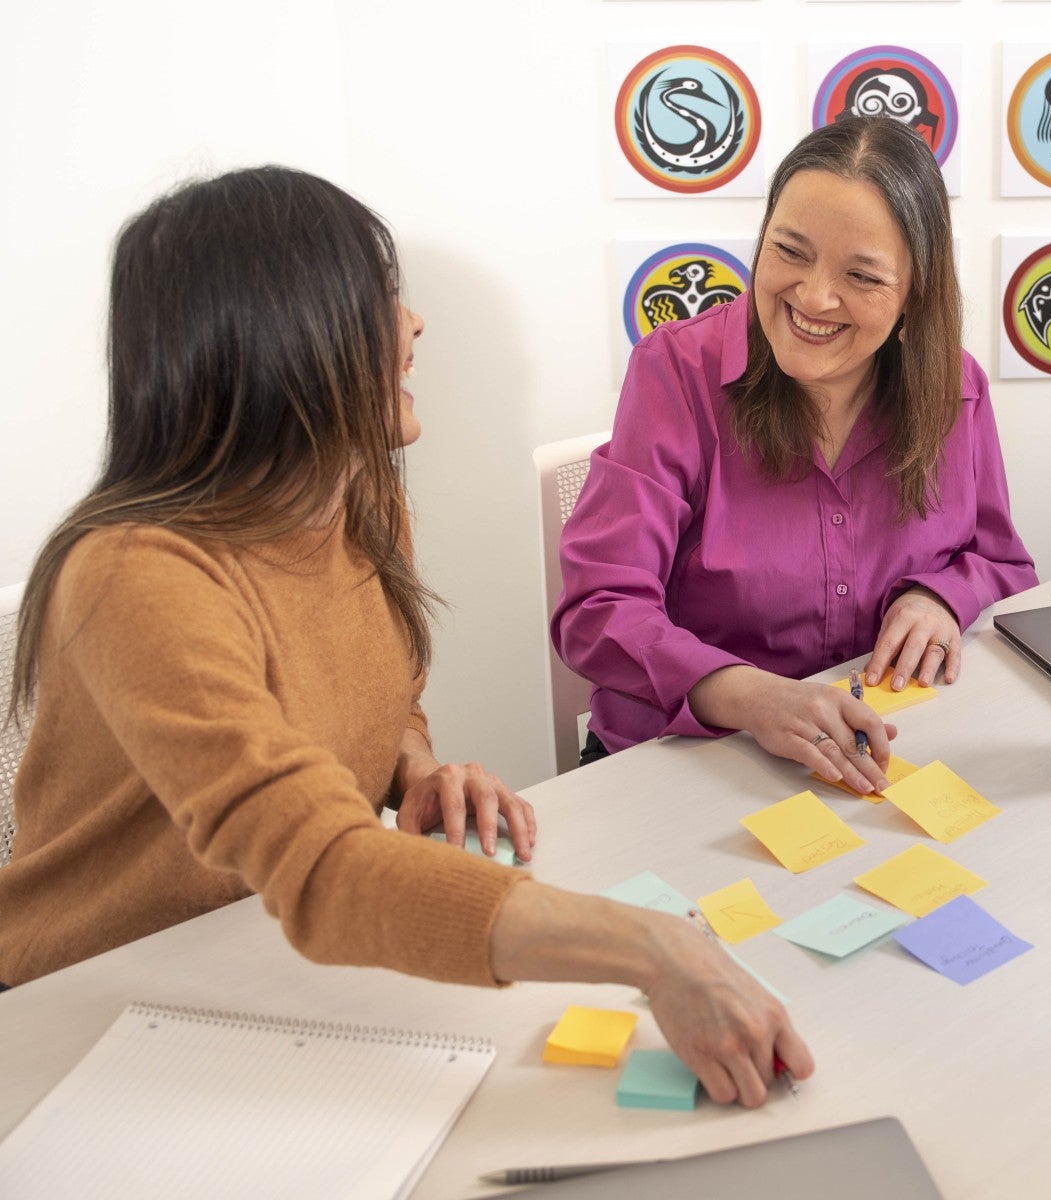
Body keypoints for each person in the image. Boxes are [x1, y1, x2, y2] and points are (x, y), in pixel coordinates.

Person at [0, 167, 810, 1105]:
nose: (414, 326)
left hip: (269, 961)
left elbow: (378, 702)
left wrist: (419, 769)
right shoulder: (135, 573)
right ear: (289, 331)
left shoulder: (357, 495)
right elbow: (319, 863)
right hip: (81, 1014)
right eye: (384, 298)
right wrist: (651, 946)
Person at [554, 116, 1037, 791]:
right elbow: (597, 609)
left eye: (862, 276)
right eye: (790, 250)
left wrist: (941, 596)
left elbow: (1003, 564)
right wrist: (751, 696)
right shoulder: (676, 372)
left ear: (913, 295)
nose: (813, 297)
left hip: (875, 755)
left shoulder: (956, 389)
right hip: (689, 766)